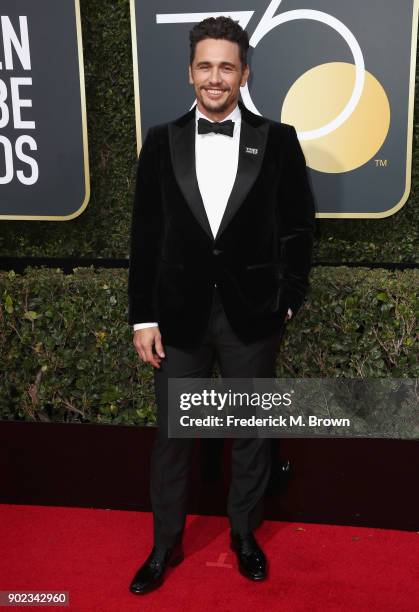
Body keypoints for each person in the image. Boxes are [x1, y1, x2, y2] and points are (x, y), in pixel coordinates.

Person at [127, 16, 316, 595]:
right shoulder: (160, 140)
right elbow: (146, 235)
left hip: (250, 315)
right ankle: (164, 545)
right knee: (173, 438)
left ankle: (243, 535)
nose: (216, 77)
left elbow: (298, 228)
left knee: (251, 431)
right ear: (190, 73)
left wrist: (286, 300)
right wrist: (143, 316)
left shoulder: (277, 140)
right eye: (205, 66)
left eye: (226, 67)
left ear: (244, 73)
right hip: (178, 316)